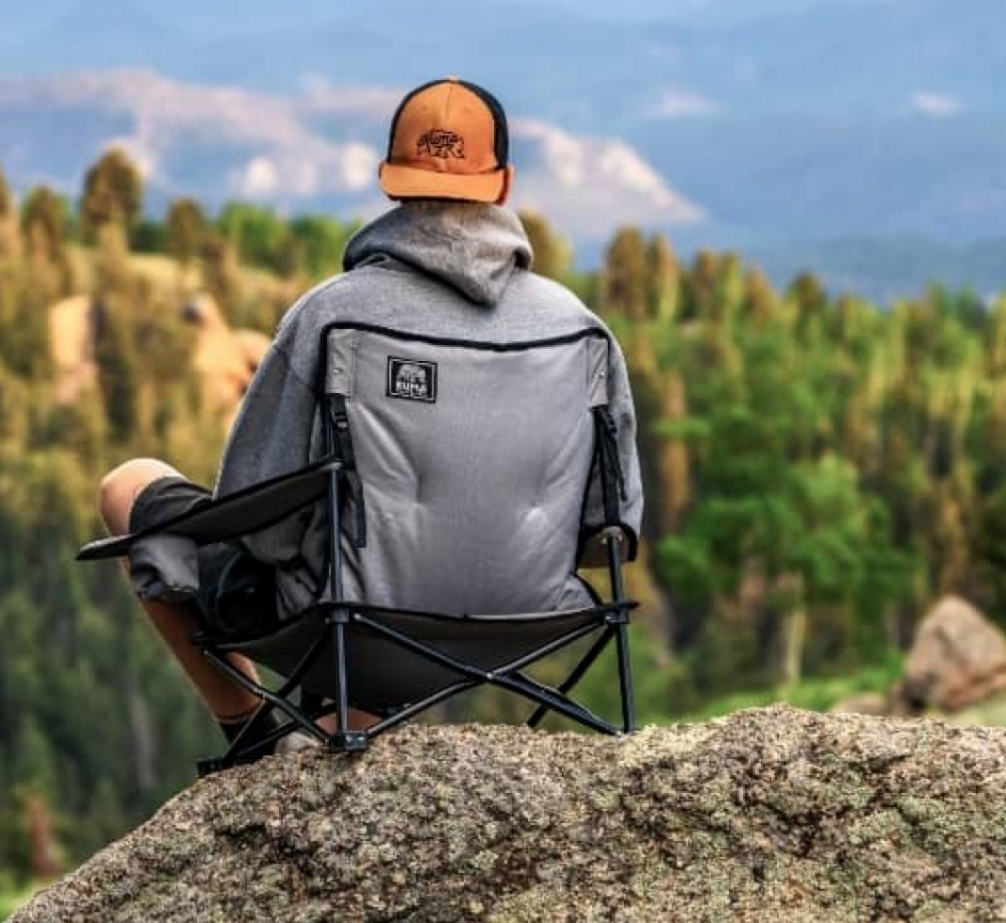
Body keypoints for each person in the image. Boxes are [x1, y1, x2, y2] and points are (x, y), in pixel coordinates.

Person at [96, 77, 645, 745]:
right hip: (528, 629)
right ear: (501, 184)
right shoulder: (582, 331)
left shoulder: (331, 317)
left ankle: (250, 729)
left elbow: (262, 528)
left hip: (349, 631)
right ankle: (343, 717)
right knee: (351, 547)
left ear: (392, 180)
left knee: (128, 488)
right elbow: (606, 529)